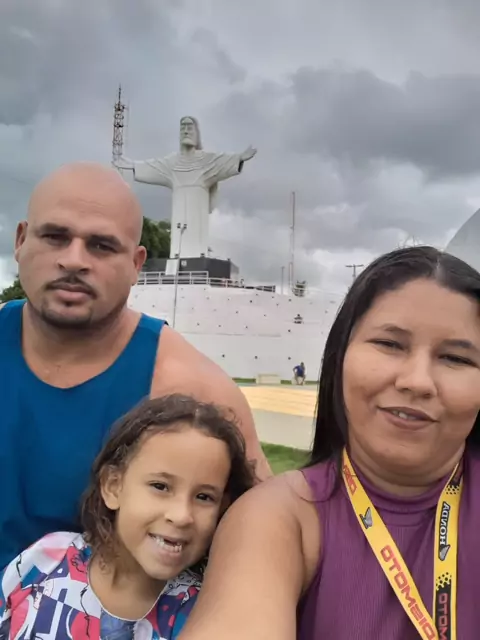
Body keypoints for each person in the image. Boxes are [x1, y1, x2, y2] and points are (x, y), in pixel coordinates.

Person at [178, 246, 480, 640]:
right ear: (340, 357)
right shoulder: (280, 519)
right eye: (390, 344)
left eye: (456, 358)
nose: (417, 381)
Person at [0, 161, 270, 570]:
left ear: (136, 263)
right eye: (55, 237)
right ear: (21, 240)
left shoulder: (192, 391)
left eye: (101, 246)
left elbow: (260, 545)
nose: (73, 260)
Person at [0, 393, 256, 639]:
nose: (181, 516)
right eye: (160, 486)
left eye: (204, 497)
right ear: (113, 487)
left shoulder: (206, 615)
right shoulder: (44, 562)